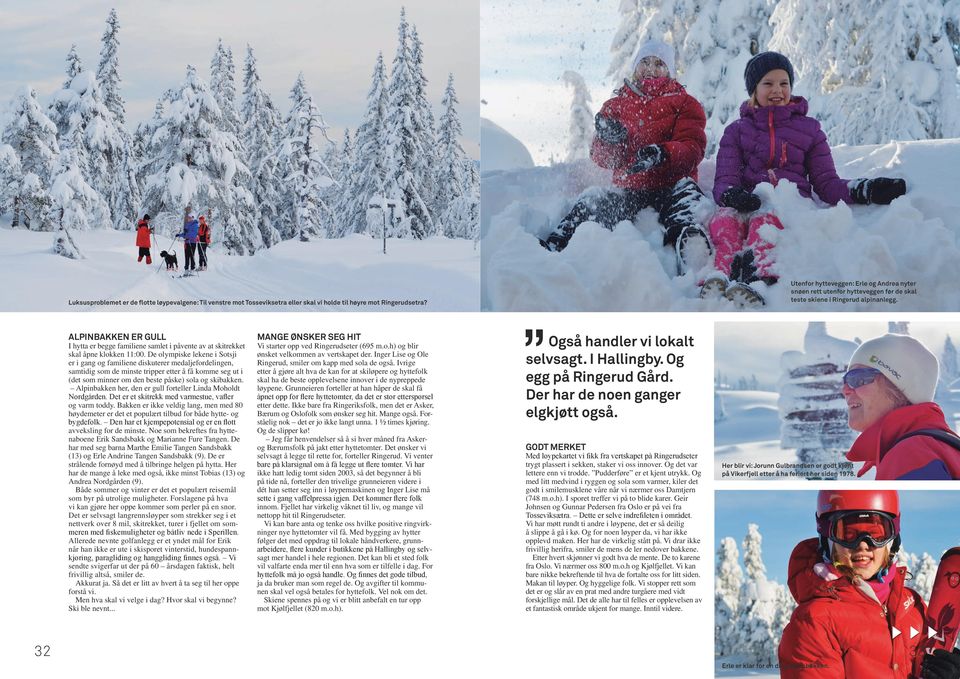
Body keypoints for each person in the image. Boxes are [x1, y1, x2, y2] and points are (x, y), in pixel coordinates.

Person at [704, 51, 908, 305]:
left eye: (784, 83)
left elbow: (827, 184)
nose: (777, 90)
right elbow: (725, 176)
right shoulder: (736, 131)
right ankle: (718, 276)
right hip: (744, 199)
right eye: (768, 83)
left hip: (784, 205)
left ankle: (755, 280)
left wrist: (865, 189)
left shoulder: (809, 130)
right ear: (753, 90)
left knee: (763, 225)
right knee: (725, 222)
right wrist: (730, 194)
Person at [540, 39, 711, 274]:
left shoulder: (684, 103)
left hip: (673, 183)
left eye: (659, 64)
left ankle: (691, 250)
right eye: (645, 62)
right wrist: (611, 140)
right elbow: (602, 158)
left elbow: (692, 147)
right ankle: (556, 244)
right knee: (593, 200)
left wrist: (663, 153)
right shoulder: (617, 105)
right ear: (635, 67)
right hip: (632, 187)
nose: (651, 69)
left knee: (688, 200)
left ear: (670, 70)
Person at [779, 489, 960, 679]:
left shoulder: (910, 605)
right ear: (827, 539)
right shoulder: (813, 622)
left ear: (893, 540)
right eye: (847, 533)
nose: (863, 544)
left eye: (877, 532)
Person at [842, 333, 960, 480]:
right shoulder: (941, 447)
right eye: (845, 380)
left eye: (858, 378)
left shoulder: (911, 454)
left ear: (899, 388)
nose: (845, 390)